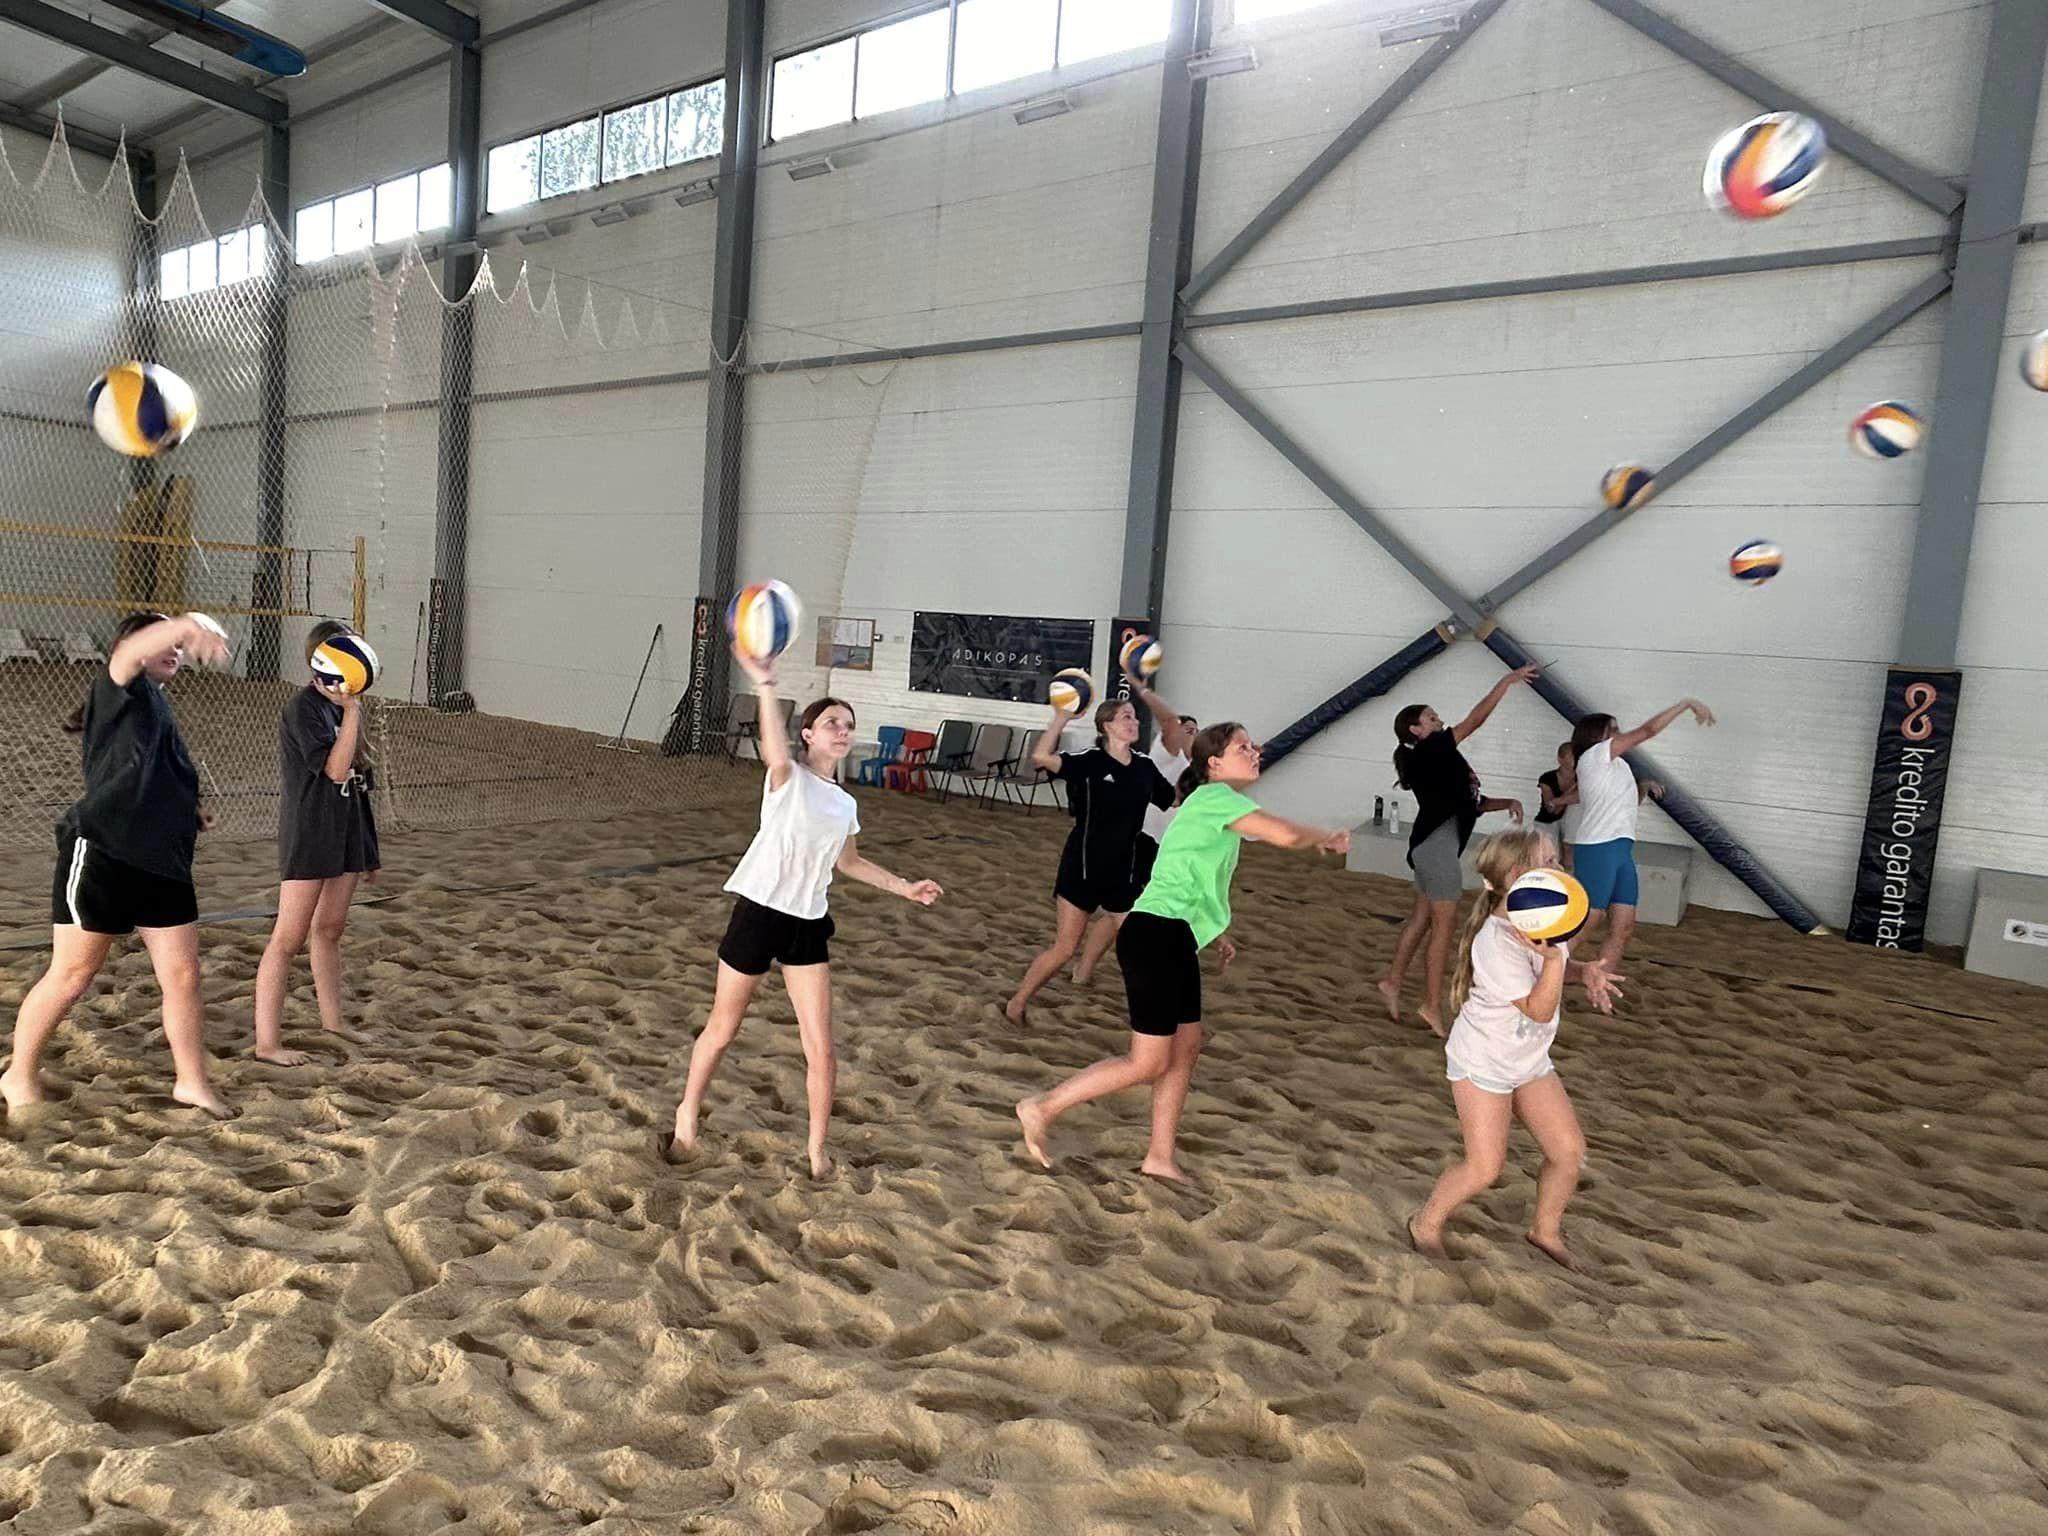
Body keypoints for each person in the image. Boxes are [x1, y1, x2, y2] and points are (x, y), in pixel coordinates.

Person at [1015, 722, 1350, 1183]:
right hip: (1154, 935)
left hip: (1174, 935)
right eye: (1242, 747)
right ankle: (1043, 1106)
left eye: (1253, 746)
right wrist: (1326, 836)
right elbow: (1286, 835)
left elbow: (1188, 872)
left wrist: (1215, 932)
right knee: (1147, 1062)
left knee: (1187, 1045)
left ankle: (1159, 1157)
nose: (1254, 752)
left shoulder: (1211, 802)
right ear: (1214, 763)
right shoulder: (1216, 798)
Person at [668, 644, 943, 1178]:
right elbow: (773, 749)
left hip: (808, 924)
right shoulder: (786, 778)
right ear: (810, 734)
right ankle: (687, 1113)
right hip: (759, 914)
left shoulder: (845, 803)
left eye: (849, 725)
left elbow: (850, 862)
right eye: (832, 723)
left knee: (822, 1047)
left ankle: (817, 1151)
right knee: (723, 1028)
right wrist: (765, 683)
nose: (842, 730)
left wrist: (904, 887)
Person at [3, 611, 236, 1119]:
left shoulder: (156, 704)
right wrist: (185, 626)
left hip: (163, 861)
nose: (174, 651)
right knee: (72, 974)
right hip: (103, 853)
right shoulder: (118, 688)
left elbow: (157, 773)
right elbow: (130, 653)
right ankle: (18, 1074)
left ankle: (191, 1083)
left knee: (184, 976)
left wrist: (191, 810)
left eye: (178, 647)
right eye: (163, 641)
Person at [1407, 828, 1621, 1271]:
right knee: (1485, 1168)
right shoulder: (1496, 940)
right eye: (1551, 861)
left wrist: (1583, 971)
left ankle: (1544, 1231)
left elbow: (1551, 973)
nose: (1561, 867)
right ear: (1523, 876)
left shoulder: (1545, 919)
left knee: (1568, 1153)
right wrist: (1556, 961)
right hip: (1483, 1062)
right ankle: (1424, 1223)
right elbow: (1539, 1009)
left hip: (1528, 1061)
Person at [1004, 678, 1182, 1023]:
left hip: (1123, 873)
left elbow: (1173, 799)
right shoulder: (1089, 761)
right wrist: (1061, 718)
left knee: (1141, 943)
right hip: (1082, 869)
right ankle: (1017, 1002)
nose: (1134, 722)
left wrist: (1208, 777)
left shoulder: (1144, 767)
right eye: (1126, 717)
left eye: (1135, 717)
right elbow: (1041, 757)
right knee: (1064, 948)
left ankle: (1162, 1017)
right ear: (1106, 726)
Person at [1376, 667, 1537, 1037]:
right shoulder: (1432, 748)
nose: (1438, 720)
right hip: (1436, 849)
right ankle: (1431, 1005)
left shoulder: (1439, 757)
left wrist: (1506, 802)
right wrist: (1505, 682)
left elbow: (1470, 802)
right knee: (1443, 928)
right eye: (1431, 717)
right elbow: (1475, 720)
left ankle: (1393, 982)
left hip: (1429, 847)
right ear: (1416, 730)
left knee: (1422, 919)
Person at [252, 620, 382, 1065]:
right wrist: (352, 713)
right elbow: (334, 770)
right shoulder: (303, 708)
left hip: (346, 831)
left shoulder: (345, 708)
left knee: (329, 930)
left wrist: (368, 850)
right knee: (287, 938)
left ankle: (333, 1022)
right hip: (310, 832)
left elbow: (359, 781)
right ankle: (267, 1044)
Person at [1566, 700, 1711, 971]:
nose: (1619, 734)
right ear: (1596, 735)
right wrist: (1685, 705)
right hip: (1598, 847)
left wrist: (1642, 786)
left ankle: (1601, 981)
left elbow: (1627, 806)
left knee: (1623, 926)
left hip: (1620, 848)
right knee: (1590, 918)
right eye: (1613, 729)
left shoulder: (1618, 766)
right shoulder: (1595, 756)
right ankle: (1546, 969)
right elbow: (1647, 731)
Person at [1073, 693, 1196, 986]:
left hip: (1170, 850)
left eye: (1195, 731)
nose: (1190, 734)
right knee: (1132, 914)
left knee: (1124, 913)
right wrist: (1143, 688)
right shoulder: (1166, 755)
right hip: (1143, 844)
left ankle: (1085, 969)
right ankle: (1106, 970)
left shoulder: (1198, 768)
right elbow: (1170, 725)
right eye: (1187, 730)